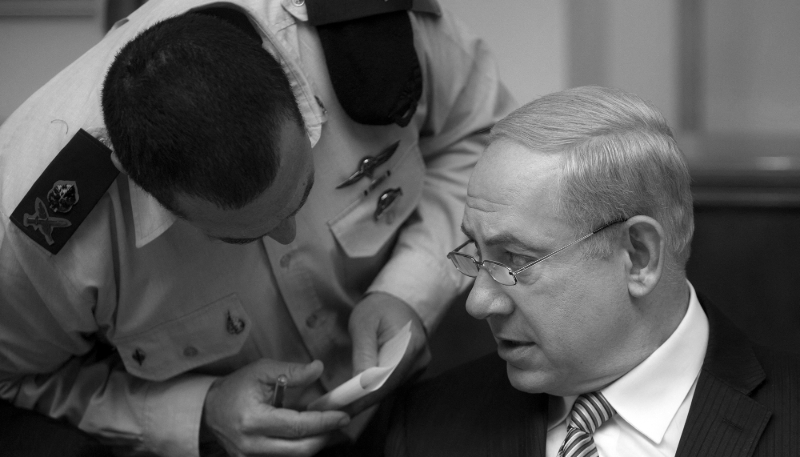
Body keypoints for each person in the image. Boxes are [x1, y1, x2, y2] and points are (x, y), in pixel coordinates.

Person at [0, 1, 514, 456]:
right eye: (237, 235)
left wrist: (410, 290)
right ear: (148, 193)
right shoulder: (37, 233)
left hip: (437, 369)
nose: (288, 233)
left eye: (306, 188)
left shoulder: (366, 26)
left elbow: (482, 137)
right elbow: (14, 380)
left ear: (295, 90)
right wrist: (199, 412)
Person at [382, 86, 800, 456]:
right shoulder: (425, 427)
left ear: (639, 257)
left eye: (515, 259)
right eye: (476, 250)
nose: (478, 302)